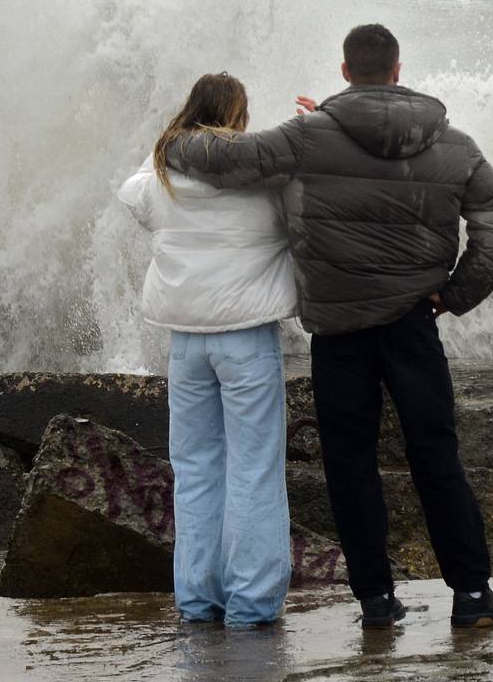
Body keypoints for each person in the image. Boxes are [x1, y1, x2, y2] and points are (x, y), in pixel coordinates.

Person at [164, 24, 493, 629]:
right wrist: (455, 294)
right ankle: (471, 595)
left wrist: (171, 141)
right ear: (398, 70)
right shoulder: (455, 144)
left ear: (346, 71)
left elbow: (225, 159)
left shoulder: (308, 138)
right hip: (413, 324)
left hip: (338, 334)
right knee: (435, 455)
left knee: (349, 463)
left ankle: (375, 601)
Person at [117, 72, 297, 627]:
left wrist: (165, 147)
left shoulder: (163, 174)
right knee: (254, 469)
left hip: (187, 344)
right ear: (240, 121)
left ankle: (197, 599)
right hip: (245, 338)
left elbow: (131, 191)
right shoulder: (262, 180)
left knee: (194, 469)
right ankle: (251, 604)